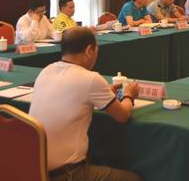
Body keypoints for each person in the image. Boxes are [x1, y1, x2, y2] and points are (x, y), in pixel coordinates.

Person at [29, 27, 142, 181]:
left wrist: (103, 95)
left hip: (35, 168)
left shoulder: (46, 71)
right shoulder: (90, 78)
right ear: (89, 50)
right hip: (67, 174)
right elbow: (122, 116)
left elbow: (71, 98)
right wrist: (129, 95)